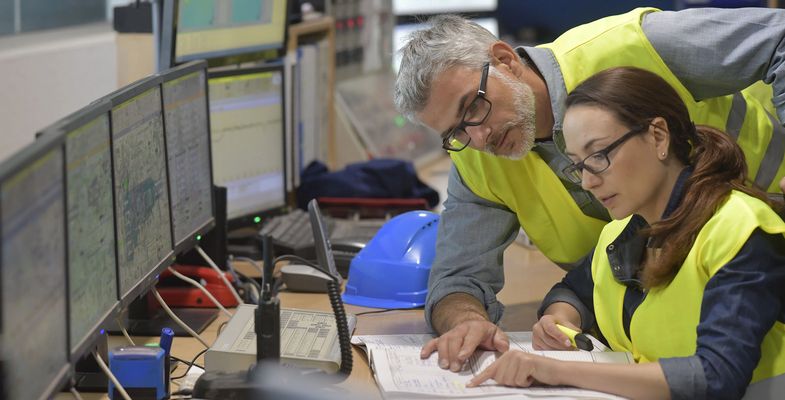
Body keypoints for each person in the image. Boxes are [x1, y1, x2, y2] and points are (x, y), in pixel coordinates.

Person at [393, 8, 785, 371]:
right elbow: (458, 279)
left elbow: (778, 36)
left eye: (473, 107)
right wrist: (466, 322)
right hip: (668, 321)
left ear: (505, 60)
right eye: (455, 132)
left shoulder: (636, 44)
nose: (478, 137)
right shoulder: (477, 161)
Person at [465, 66, 785, 400]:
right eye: (578, 165)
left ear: (658, 137)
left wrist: (555, 369)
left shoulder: (742, 230)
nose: (588, 181)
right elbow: (574, 290)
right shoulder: (623, 232)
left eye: (599, 155)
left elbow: (715, 377)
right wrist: (559, 320)